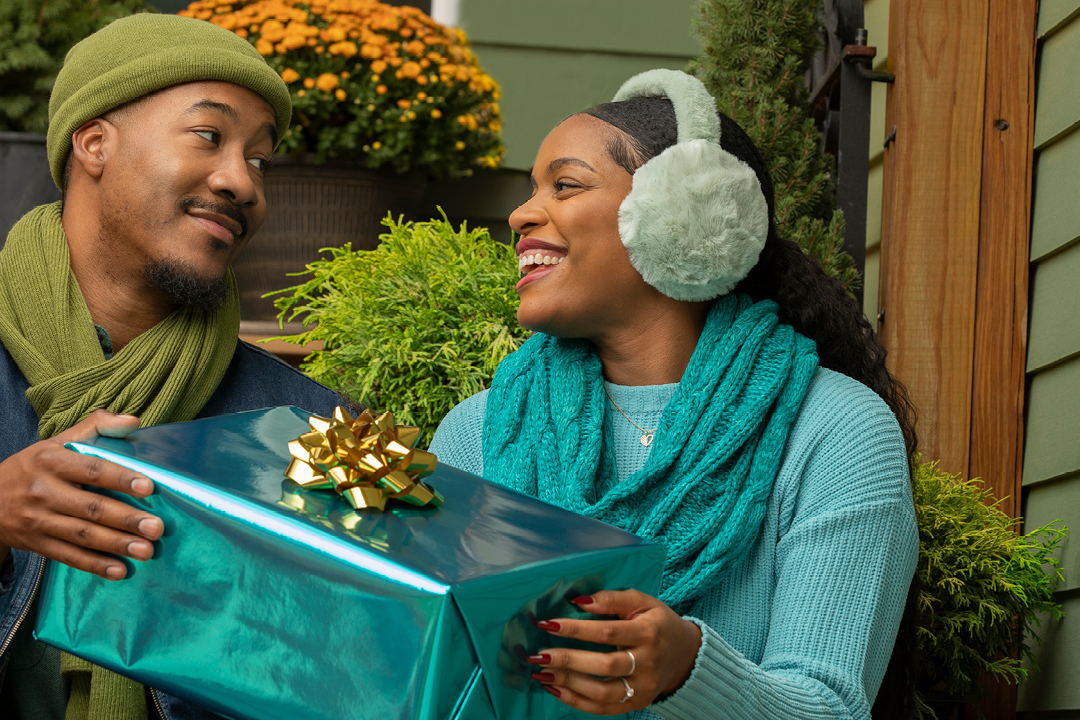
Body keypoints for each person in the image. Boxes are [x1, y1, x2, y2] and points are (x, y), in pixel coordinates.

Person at [429, 69, 920, 720]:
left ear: (678, 216)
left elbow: (825, 709)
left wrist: (684, 668)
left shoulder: (836, 432)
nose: (521, 213)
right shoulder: (476, 433)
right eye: (530, 189)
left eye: (565, 184)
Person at [0, 14, 347, 720]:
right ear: (93, 142)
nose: (241, 181)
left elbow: (357, 677)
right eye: (210, 137)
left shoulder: (308, 431)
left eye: (260, 159)